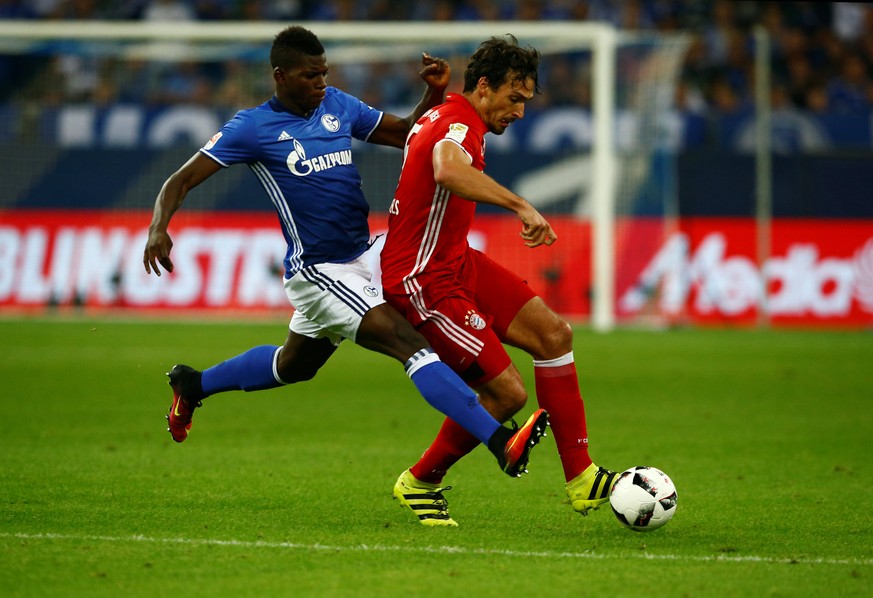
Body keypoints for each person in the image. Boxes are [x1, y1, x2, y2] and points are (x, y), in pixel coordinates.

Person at [142, 25, 550, 480]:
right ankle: (499, 441)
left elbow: (407, 134)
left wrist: (432, 96)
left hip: (365, 254)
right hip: (319, 270)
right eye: (309, 76)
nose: (320, 83)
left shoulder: (336, 104)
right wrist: (160, 226)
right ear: (280, 76)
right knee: (406, 343)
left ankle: (193, 385)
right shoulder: (252, 127)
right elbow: (179, 180)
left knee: (294, 364)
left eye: (324, 73)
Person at [380, 35, 618, 526]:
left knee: (554, 335)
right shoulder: (459, 123)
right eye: (515, 98)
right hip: (422, 278)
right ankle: (420, 480)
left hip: (455, 261)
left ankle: (581, 476)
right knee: (507, 395)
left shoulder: (451, 114)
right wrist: (520, 204)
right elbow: (446, 170)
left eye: (526, 102)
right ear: (484, 87)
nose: (521, 112)